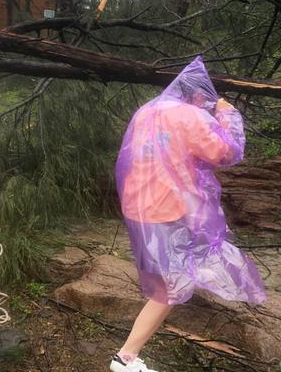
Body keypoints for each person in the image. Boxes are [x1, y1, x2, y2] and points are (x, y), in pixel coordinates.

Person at [111, 57, 267, 372]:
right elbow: (226, 152)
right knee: (171, 287)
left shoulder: (147, 110)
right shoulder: (190, 116)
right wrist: (228, 113)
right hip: (167, 209)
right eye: (205, 101)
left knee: (168, 281)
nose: (206, 105)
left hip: (138, 205)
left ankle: (126, 356)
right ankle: (124, 358)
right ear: (197, 96)